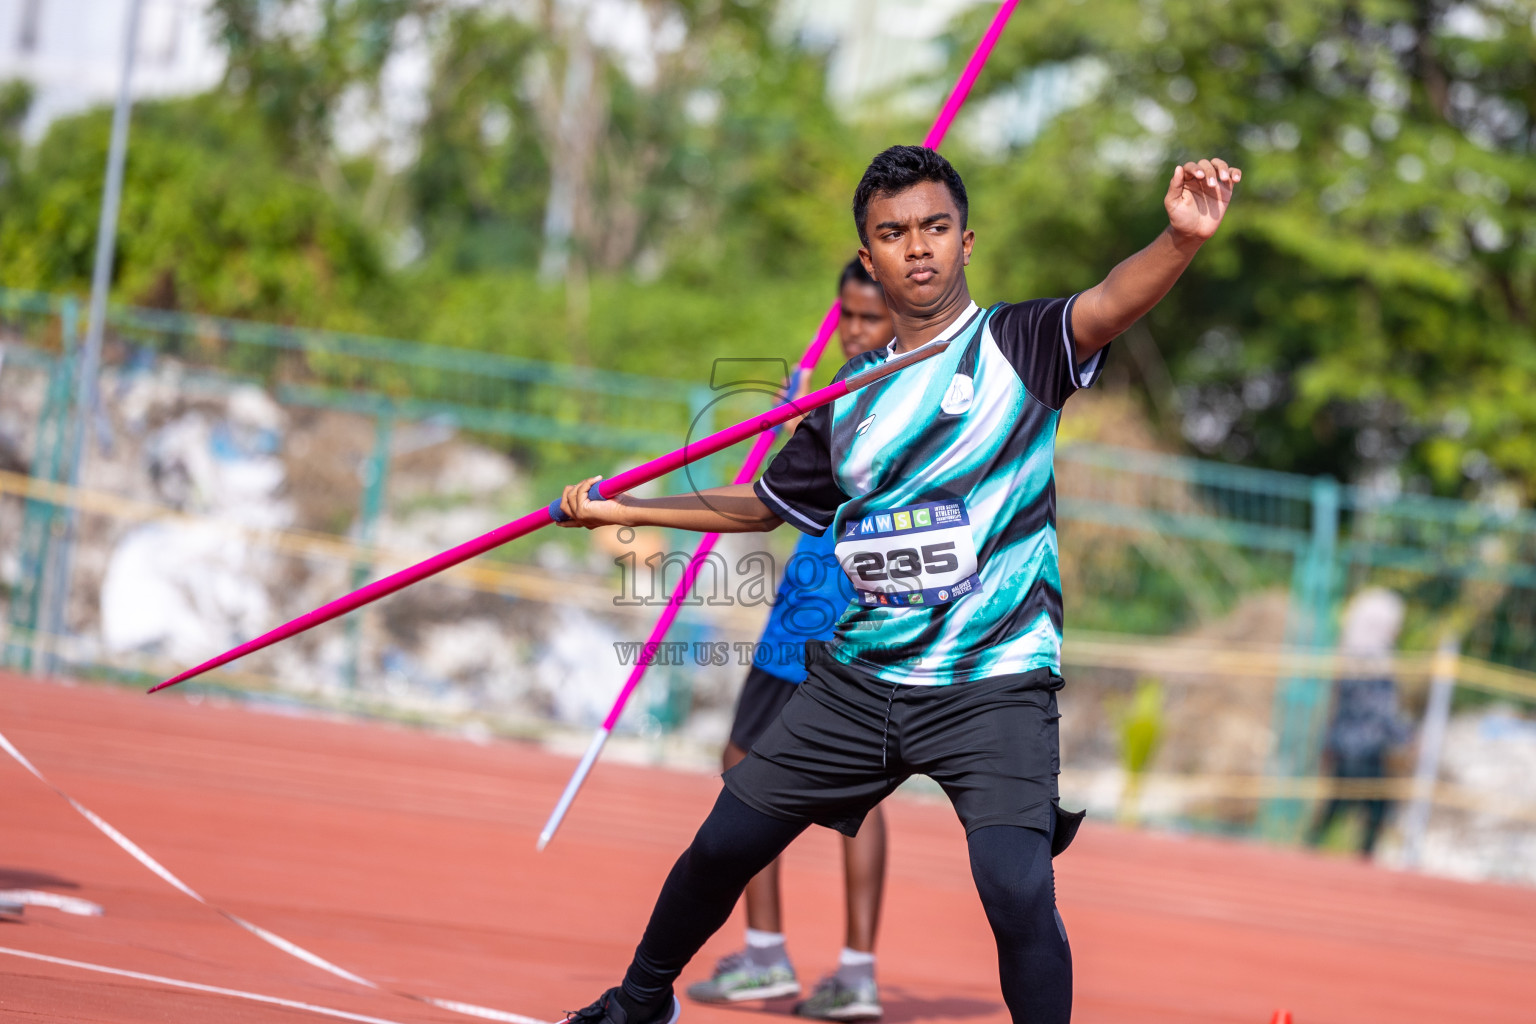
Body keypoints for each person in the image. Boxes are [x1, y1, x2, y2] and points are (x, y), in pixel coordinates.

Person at [556, 144, 1241, 1024]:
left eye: (935, 227)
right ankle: (641, 1002)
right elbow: (762, 508)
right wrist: (630, 507)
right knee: (724, 840)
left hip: (994, 685)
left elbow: (1110, 302)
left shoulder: (1021, 343)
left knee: (1015, 887)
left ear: (966, 241)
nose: (917, 247)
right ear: (868, 259)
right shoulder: (844, 399)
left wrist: (1179, 242)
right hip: (862, 682)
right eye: (893, 234)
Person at [686, 258, 895, 1021]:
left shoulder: (870, 394)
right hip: (850, 600)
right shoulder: (871, 391)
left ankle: (776, 958)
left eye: (869, 319)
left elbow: (795, 489)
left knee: (748, 763)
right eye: (845, 316)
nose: (853, 333)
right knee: (859, 789)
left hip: (825, 603)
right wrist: (799, 413)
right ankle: (851, 971)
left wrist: (802, 416)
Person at [1308, 587, 1411, 856]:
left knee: (1339, 803)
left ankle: (1310, 849)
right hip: (1364, 748)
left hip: (1344, 744)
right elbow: (1380, 711)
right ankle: (1361, 862)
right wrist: (1404, 736)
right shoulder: (1373, 659)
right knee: (1376, 807)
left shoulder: (1349, 651)